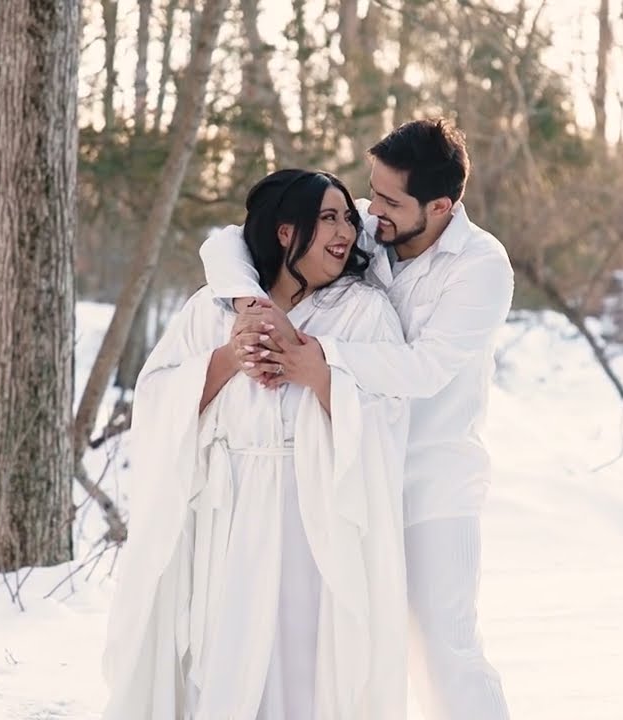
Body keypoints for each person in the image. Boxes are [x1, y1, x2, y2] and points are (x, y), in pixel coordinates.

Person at [199, 119, 514, 720]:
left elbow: (425, 368)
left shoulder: (481, 266)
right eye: (373, 192)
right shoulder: (372, 228)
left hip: (428, 486)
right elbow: (226, 242)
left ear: (441, 207)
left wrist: (316, 357)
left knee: (442, 650)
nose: (372, 211)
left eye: (391, 200)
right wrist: (251, 304)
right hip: (350, 478)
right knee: (351, 651)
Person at [101, 169, 411, 720]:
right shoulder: (215, 308)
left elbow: (390, 416)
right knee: (226, 645)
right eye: (329, 218)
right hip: (227, 515)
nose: (346, 231)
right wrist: (229, 357)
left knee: (301, 657)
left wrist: (317, 372)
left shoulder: (363, 311)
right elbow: (154, 402)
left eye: (347, 217)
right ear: (286, 232)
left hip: (312, 515)